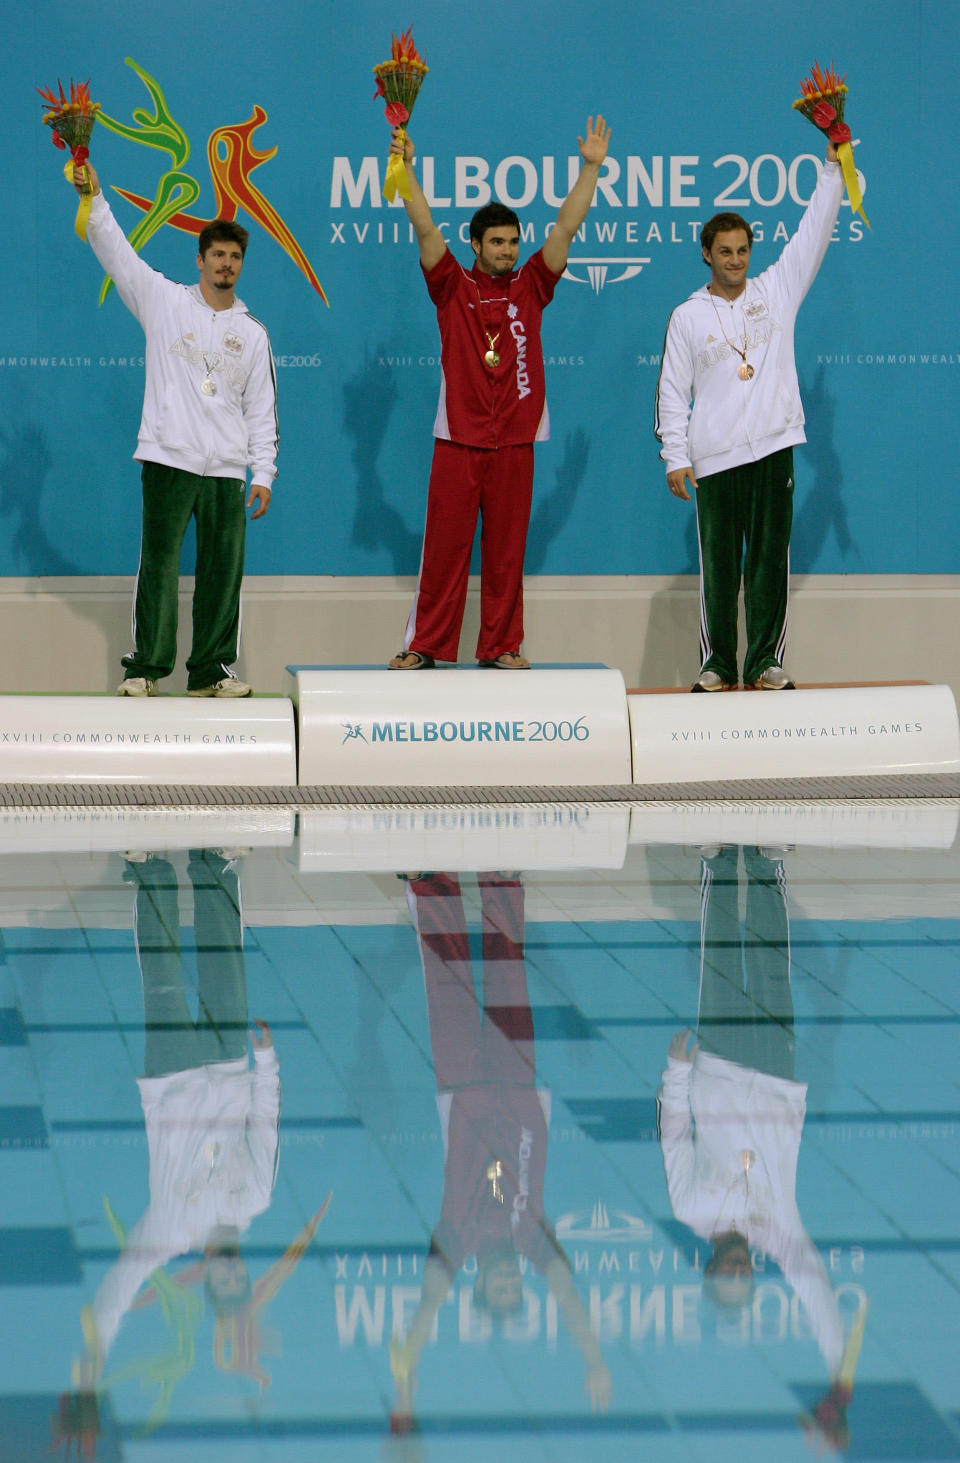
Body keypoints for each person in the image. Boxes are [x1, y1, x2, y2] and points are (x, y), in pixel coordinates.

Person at [387, 115, 611, 670]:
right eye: (497, 242)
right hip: (458, 438)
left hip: (514, 440)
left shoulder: (533, 284)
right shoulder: (450, 285)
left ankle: (502, 646)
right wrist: (405, 167)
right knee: (445, 551)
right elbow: (423, 227)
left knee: (508, 554)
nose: (508, 250)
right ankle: (425, 645)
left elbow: (564, 229)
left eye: (513, 241)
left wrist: (590, 169)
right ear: (476, 244)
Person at [71, 163, 278, 696]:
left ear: (241, 266)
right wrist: (94, 197)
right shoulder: (163, 300)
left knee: (221, 576)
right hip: (168, 458)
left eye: (235, 257)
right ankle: (144, 669)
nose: (226, 264)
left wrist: (264, 474)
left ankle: (210, 672)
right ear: (200, 259)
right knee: (159, 568)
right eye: (218, 255)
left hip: (227, 470)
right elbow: (116, 252)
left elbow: (262, 410)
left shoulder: (254, 334)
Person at [655, 142, 844, 692]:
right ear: (706, 255)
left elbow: (813, 231)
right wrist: (675, 456)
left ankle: (764, 662)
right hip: (713, 458)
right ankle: (718, 664)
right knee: (718, 566)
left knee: (767, 560)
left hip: (773, 448)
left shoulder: (777, 291)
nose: (735, 259)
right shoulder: (688, 315)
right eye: (724, 251)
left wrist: (833, 167)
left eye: (742, 250)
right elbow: (671, 390)